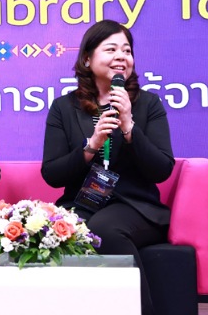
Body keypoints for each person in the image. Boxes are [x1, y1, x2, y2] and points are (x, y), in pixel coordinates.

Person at [41, 20, 174, 315]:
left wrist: (129, 127)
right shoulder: (64, 108)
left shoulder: (148, 104)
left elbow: (162, 169)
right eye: (111, 49)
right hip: (82, 203)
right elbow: (52, 174)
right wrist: (91, 146)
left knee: (103, 229)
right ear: (87, 59)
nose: (121, 57)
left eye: (127, 51)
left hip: (136, 206)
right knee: (50, 232)